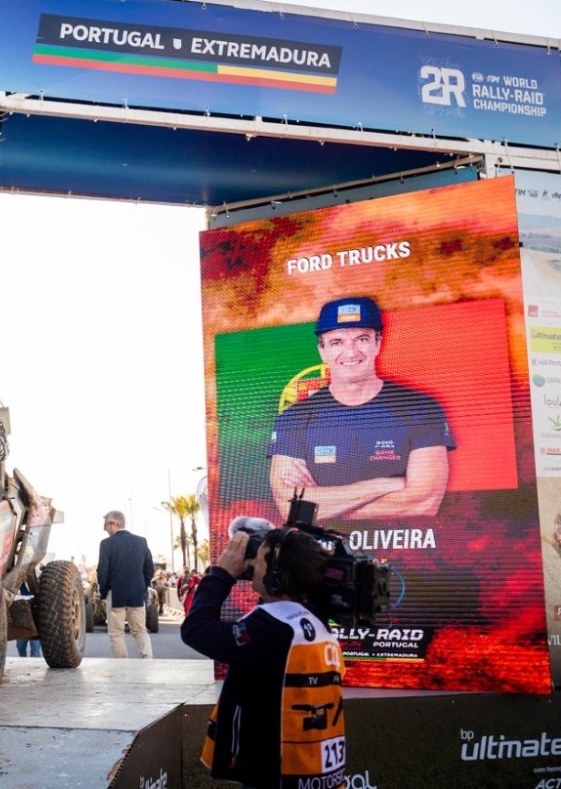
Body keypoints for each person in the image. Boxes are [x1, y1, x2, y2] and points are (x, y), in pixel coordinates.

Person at [180, 525, 347, 789]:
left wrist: (222, 574)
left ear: (276, 578)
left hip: (275, 775)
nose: (251, 566)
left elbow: (196, 630)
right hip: (311, 770)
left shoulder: (269, 630)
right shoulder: (314, 621)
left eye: (258, 561)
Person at [268, 296, 455, 522]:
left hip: (400, 543)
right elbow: (289, 509)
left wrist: (321, 505)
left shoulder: (421, 409)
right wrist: (383, 485)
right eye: (337, 342)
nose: (351, 352)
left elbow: (424, 503)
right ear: (322, 350)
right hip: (320, 546)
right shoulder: (294, 419)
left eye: (362, 339)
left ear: (378, 343)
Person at [96, 510, 155, 659]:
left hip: (115, 594)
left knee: (116, 633)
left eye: (105, 524)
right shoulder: (141, 541)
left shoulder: (106, 544)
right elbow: (149, 569)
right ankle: (148, 660)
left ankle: (122, 665)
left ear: (115, 524)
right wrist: (142, 586)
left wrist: (104, 592)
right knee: (140, 630)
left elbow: (102, 572)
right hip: (137, 594)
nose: (104, 528)